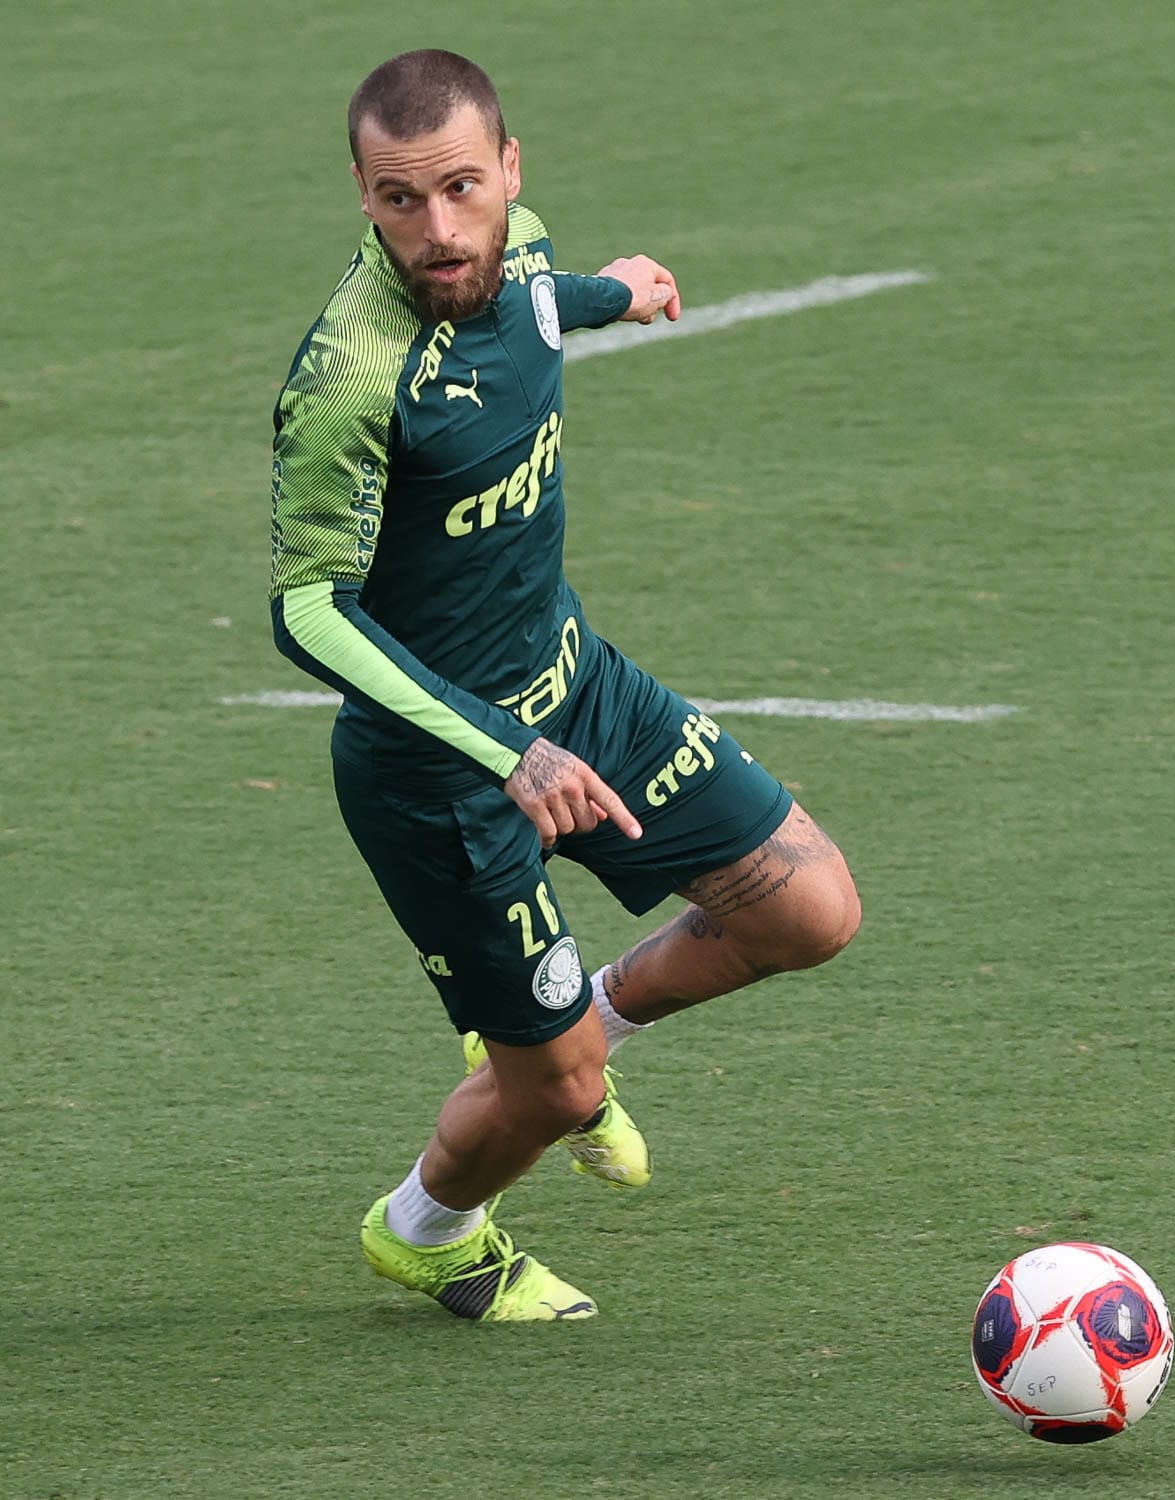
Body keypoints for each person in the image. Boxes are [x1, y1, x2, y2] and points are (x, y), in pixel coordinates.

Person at [271, 48, 861, 1323]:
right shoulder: (351, 379)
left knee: (808, 913)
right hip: (443, 778)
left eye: (461, 190)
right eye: (399, 199)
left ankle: (574, 1025)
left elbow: (534, 295)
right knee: (551, 1095)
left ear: (508, 171)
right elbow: (306, 608)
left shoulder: (522, 247)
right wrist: (506, 752)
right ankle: (428, 1231)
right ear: (363, 196)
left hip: (578, 688)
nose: (439, 231)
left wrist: (620, 292)